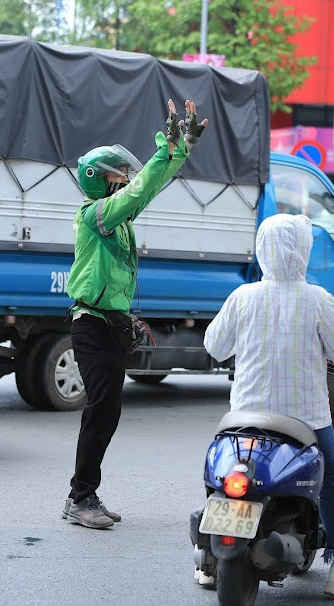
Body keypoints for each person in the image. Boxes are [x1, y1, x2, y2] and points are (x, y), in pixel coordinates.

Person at [203, 214, 334, 598]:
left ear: (262, 249)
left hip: (243, 418)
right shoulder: (317, 299)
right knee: (331, 481)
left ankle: (209, 558)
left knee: (218, 477)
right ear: (302, 251)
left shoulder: (242, 297)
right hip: (305, 419)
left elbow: (215, 348)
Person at [62, 98, 207, 529]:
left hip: (112, 323)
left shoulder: (118, 219)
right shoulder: (96, 214)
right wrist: (165, 148)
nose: (122, 181)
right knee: (102, 407)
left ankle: (86, 492)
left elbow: (151, 185)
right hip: (90, 322)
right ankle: (79, 497)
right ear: (96, 180)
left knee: (108, 410)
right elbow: (140, 188)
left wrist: (180, 150)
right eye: (115, 176)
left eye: (122, 177)